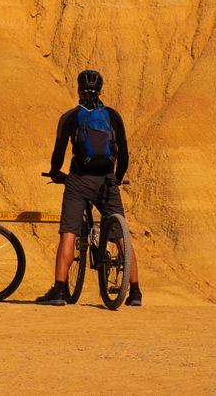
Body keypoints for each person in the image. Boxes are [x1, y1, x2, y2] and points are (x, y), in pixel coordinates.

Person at [36, 68, 142, 307]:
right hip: (107, 180)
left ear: (78, 90)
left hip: (79, 181)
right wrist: (117, 177)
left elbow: (59, 153)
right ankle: (135, 292)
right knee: (123, 240)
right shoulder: (112, 116)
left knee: (69, 234)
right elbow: (123, 154)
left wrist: (55, 173)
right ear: (101, 91)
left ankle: (60, 291)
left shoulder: (71, 117)